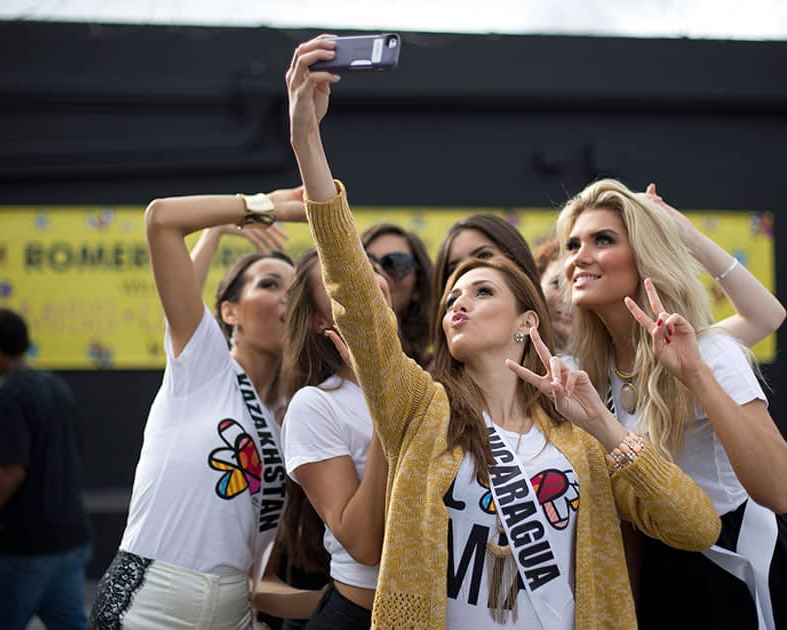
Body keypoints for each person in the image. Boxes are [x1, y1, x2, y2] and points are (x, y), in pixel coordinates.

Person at [287, 36, 720, 629]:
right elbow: (357, 298)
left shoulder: (578, 435)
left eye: (483, 291)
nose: (458, 303)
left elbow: (697, 527)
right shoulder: (420, 410)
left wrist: (602, 423)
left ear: (527, 321)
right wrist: (307, 143)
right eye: (452, 297)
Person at [556, 178, 787, 629]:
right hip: (656, 574)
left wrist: (696, 376)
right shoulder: (588, 370)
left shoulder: (708, 352)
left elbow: (783, 491)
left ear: (645, 257)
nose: (579, 256)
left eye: (603, 240)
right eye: (573, 244)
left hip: (734, 571)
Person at [88, 187, 304, 629]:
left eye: (296, 289)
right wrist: (258, 209)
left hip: (233, 613)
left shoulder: (295, 412)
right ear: (229, 312)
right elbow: (162, 219)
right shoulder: (205, 367)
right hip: (150, 604)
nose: (287, 297)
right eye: (269, 284)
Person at [0, 307, 92, 629]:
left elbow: (9, 472)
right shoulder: (56, 387)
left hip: (18, 551)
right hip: (69, 544)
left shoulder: (5, 394)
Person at [276, 248, 391, 628]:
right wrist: (384, 413)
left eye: (370, 268)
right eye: (337, 276)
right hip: (357, 616)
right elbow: (363, 545)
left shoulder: (434, 384)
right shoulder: (315, 405)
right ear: (318, 319)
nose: (362, 277)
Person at [361, 223, 433, 366]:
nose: (379, 273)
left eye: (395, 264)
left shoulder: (438, 372)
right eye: (367, 263)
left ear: (418, 286)